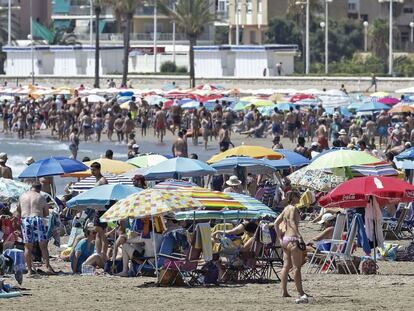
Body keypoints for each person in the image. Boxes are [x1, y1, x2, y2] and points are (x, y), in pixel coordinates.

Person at [274, 190, 308, 303]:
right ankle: (300, 292)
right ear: (294, 197)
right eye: (298, 196)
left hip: (285, 240)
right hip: (293, 239)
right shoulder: (293, 208)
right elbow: (293, 222)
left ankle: (284, 291)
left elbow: (275, 223)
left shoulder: (285, 208)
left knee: (286, 266)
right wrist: (299, 235)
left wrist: (279, 238)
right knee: (296, 267)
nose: (300, 198)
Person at [16, 183, 55, 276]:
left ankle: (29, 270)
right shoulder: (41, 197)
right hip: (37, 219)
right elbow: (46, 213)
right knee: (43, 246)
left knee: (28, 247)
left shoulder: (22, 196)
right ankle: (47, 267)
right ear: (39, 189)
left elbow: (18, 210)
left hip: (26, 220)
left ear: (31, 188)